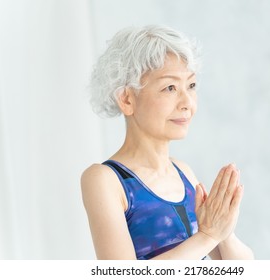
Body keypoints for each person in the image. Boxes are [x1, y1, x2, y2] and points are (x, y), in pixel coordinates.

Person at [81, 25, 254, 260]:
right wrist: (208, 236)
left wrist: (225, 231)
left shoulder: (183, 172)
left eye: (191, 86)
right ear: (126, 99)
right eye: (170, 87)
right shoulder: (105, 180)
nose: (187, 102)